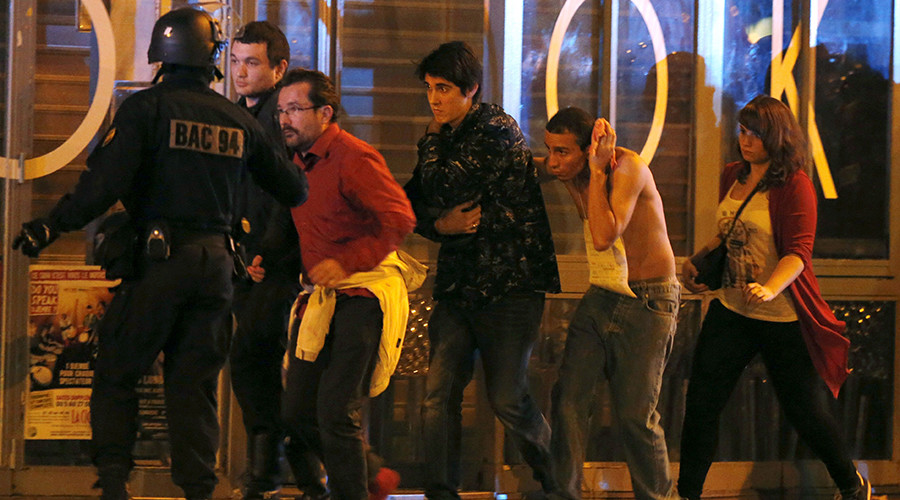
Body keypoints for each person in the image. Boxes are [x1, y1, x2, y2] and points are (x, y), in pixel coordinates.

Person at [12, 8, 308, 500]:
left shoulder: (144, 110)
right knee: (193, 388)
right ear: (210, 59)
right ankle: (198, 490)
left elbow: (101, 186)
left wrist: (51, 224)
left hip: (158, 264)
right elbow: (294, 189)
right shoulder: (238, 120)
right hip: (216, 270)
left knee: (118, 372)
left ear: (160, 57)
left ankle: (113, 483)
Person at [678, 95, 871, 500]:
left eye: (755, 134)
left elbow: (799, 253)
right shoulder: (734, 174)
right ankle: (687, 493)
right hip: (732, 308)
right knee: (701, 404)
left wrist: (769, 288)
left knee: (805, 410)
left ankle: (852, 485)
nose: (745, 141)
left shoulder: (794, 185)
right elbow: (731, 228)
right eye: (743, 131)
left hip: (781, 315)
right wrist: (699, 258)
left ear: (776, 135)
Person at [404, 41, 561, 500]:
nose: (434, 100)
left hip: (510, 285)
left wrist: (432, 139)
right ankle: (441, 492)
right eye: (430, 89)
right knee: (438, 396)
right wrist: (440, 224)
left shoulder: (495, 128)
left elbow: (442, 182)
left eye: (444, 89)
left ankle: (559, 482)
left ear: (470, 90)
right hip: (459, 285)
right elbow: (413, 201)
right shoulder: (443, 138)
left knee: (510, 399)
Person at [268, 68, 418, 500]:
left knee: (336, 410)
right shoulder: (295, 162)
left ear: (325, 113)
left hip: (364, 293)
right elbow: (308, 224)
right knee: (297, 411)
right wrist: (267, 257)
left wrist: (346, 262)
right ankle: (368, 475)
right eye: (281, 111)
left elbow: (400, 218)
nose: (285, 120)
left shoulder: (353, 157)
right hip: (324, 296)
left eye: (295, 109)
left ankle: (354, 490)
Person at [541, 107, 681, 500]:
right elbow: (533, 166)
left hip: (648, 299)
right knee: (568, 398)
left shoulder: (626, 169)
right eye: (549, 150)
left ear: (589, 150)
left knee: (636, 415)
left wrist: (599, 169)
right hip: (603, 293)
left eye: (563, 152)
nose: (553, 162)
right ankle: (562, 493)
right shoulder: (571, 169)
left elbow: (604, 235)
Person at [227, 20, 302, 500]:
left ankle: (268, 474)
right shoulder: (236, 115)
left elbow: (287, 196)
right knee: (256, 366)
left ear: (279, 68)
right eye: (234, 61)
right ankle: (284, 472)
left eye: (252, 62)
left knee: (253, 360)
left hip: (282, 263)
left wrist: (264, 254)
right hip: (244, 260)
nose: (240, 72)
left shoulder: (285, 118)